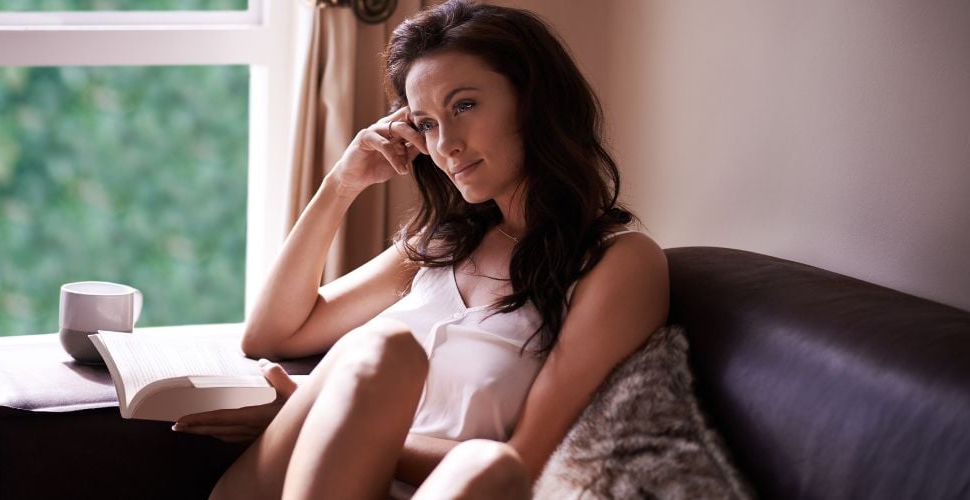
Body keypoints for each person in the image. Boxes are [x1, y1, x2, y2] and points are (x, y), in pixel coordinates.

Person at [173, 1, 669, 498]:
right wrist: (341, 184)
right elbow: (270, 336)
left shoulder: (619, 262)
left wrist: (335, 422)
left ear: (534, 101)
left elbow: (524, 463)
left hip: (451, 489)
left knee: (484, 464)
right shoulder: (444, 242)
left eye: (465, 106)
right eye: (427, 123)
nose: (446, 144)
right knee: (384, 351)